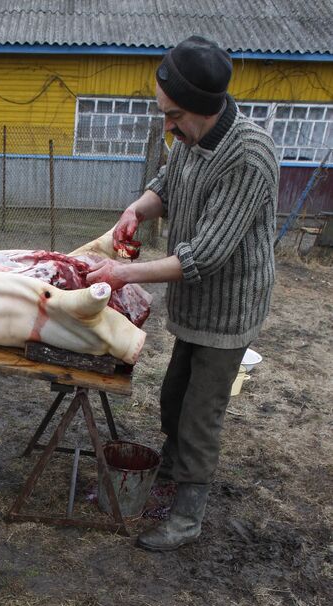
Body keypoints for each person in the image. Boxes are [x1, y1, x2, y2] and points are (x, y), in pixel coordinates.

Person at [87, 36, 279, 552]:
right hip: (195, 304)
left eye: (173, 116)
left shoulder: (249, 157)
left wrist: (126, 274)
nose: (166, 126)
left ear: (204, 108)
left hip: (229, 308)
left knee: (200, 414)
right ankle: (170, 479)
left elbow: (206, 255)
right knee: (174, 397)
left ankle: (188, 517)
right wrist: (137, 209)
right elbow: (167, 183)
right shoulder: (192, 138)